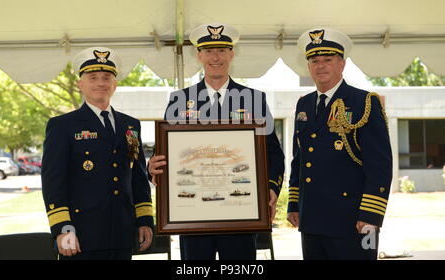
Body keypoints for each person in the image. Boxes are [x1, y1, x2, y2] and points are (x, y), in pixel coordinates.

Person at [149, 23, 285, 260]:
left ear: (232, 54)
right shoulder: (180, 100)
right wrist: (154, 166)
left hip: (240, 212)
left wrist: (271, 187)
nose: (216, 57)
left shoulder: (253, 100)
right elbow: (167, 152)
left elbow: (273, 152)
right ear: (199, 55)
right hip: (193, 217)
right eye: (209, 51)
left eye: (222, 50)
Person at [286, 28, 392, 260]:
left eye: (328, 59)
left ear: (342, 64)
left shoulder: (365, 102)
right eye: (315, 60)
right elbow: (300, 159)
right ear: (308, 66)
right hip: (312, 219)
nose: (321, 65)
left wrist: (371, 217)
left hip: (356, 220)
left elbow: (380, 166)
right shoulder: (304, 105)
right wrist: (294, 204)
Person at [41, 47, 154, 260]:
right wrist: (62, 227)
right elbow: (53, 182)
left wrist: (145, 220)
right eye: (93, 77)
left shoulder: (130, 125)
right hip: (81, 235)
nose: (101, 83)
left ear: (115, 84)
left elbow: (137, 178)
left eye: (106, 77)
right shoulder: (62, 126)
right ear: (80, 84)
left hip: (122, 233)